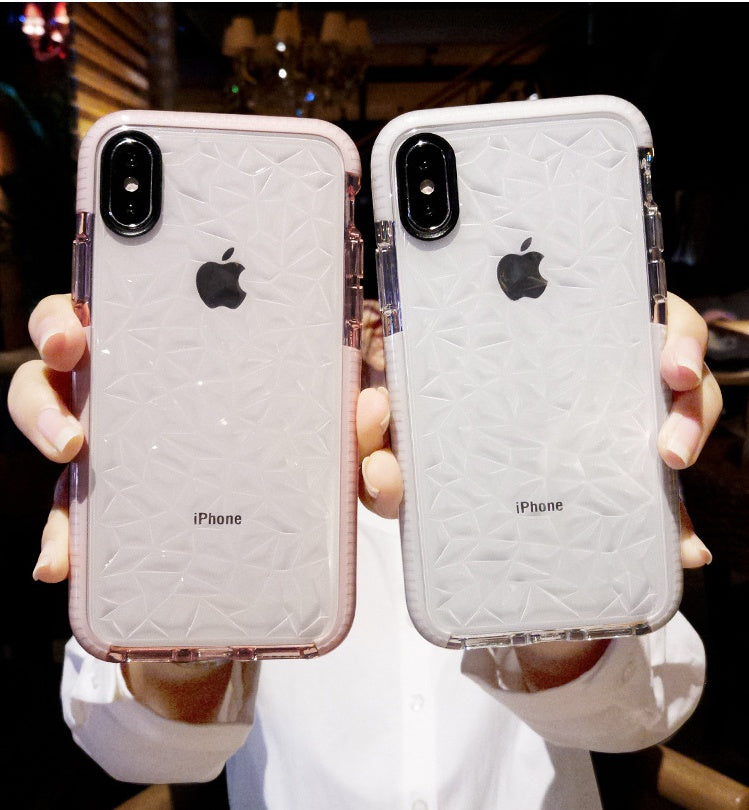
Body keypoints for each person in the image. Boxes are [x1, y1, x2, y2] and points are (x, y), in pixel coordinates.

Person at [7, 291, 722, 809]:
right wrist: (181, 647)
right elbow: (128, 745)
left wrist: (563, 623)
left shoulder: (554, 462)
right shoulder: (208, 481)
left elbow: (645, 709)